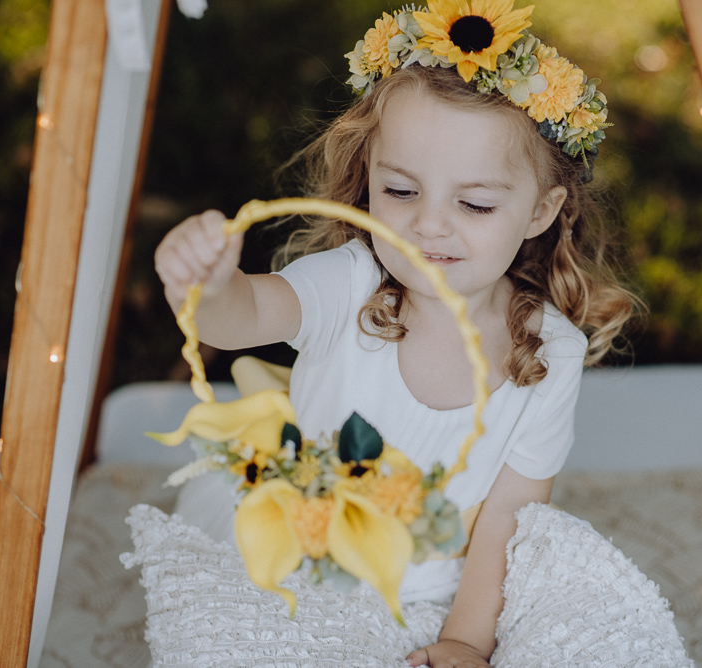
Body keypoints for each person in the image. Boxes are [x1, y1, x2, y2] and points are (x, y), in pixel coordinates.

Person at [154, 3, 638, 666]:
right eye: (402, 191)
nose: (429, 226)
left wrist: (464, 642)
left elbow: (506, 520)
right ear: (368, 179)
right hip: (303, 565)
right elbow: (244, 318)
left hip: (445, 595)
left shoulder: (551, 353)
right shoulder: (350, 285)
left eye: (474, 203)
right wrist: (208, 287)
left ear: (540, 210)